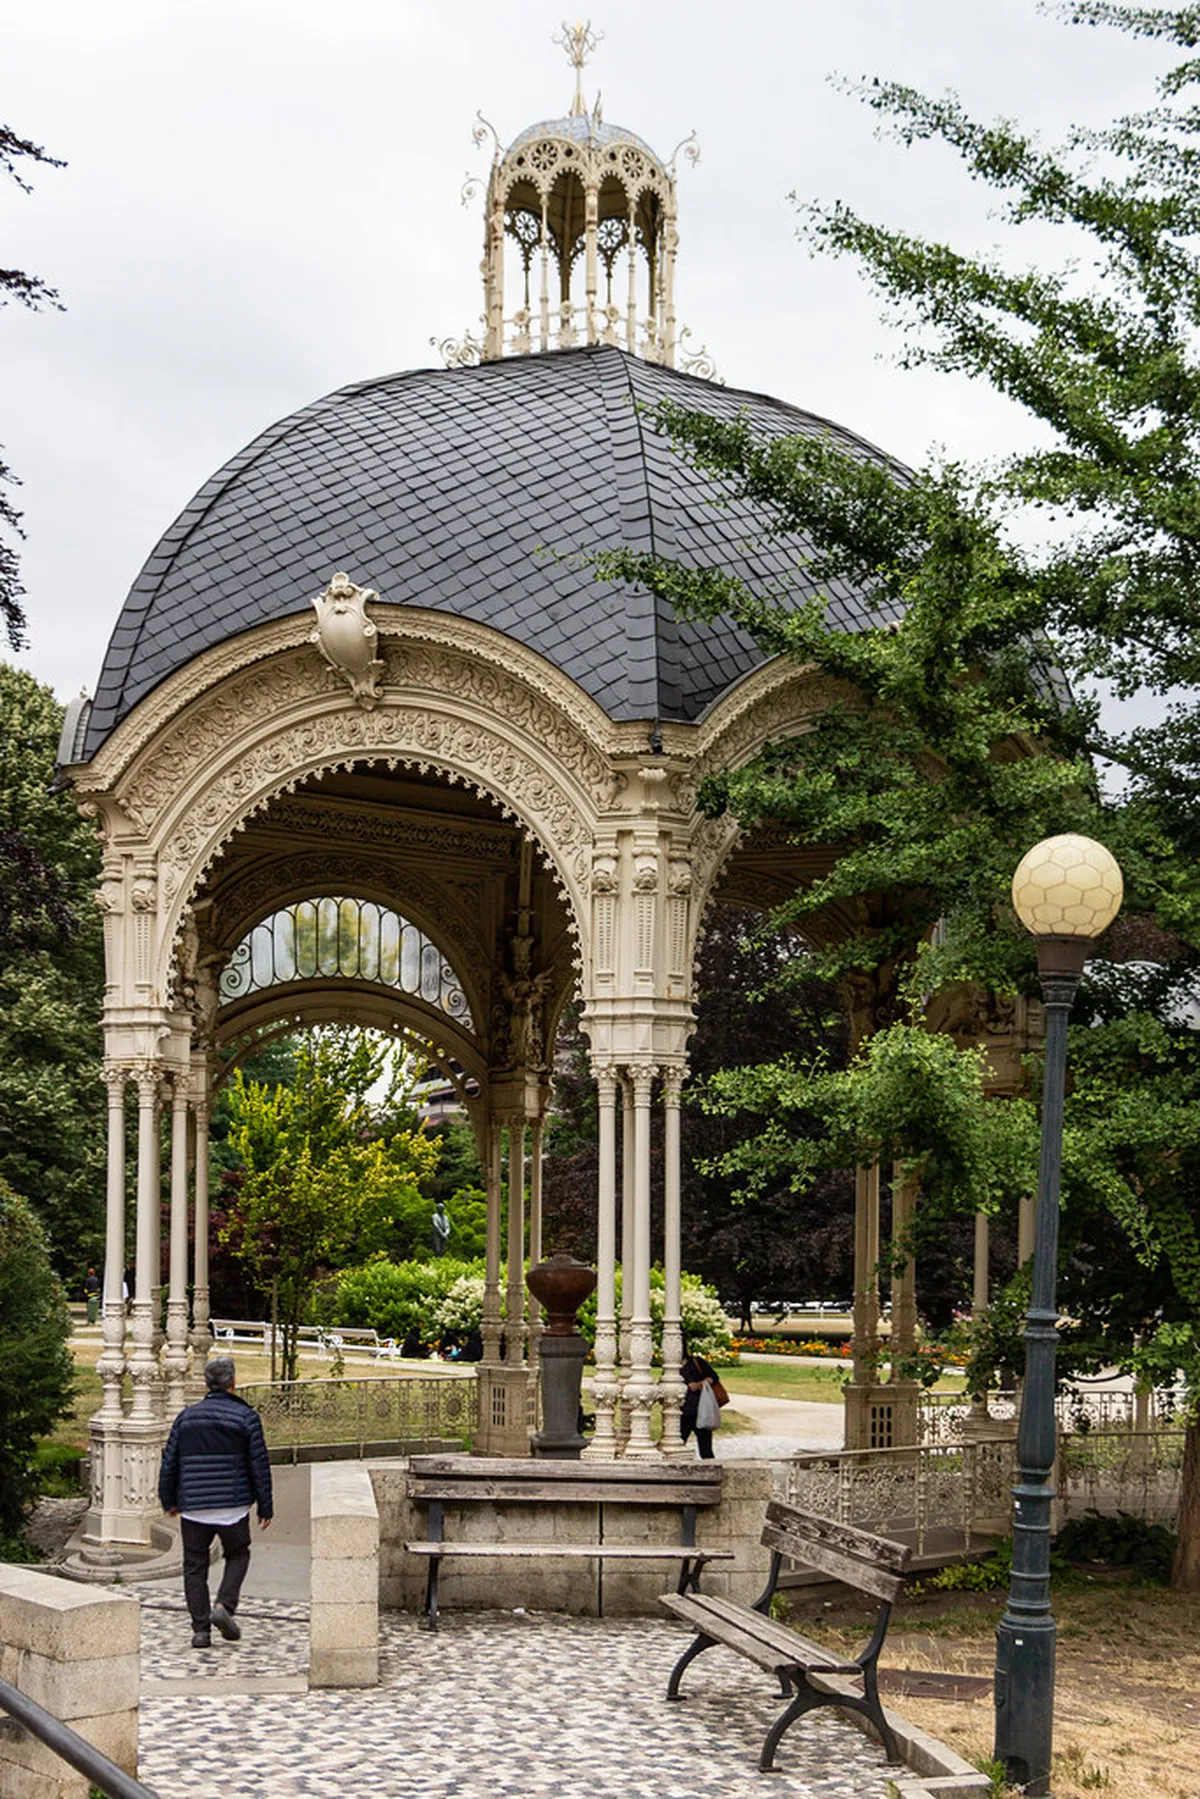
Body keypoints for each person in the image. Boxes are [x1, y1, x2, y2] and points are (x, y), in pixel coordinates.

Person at [158, 1355, 273, 1649]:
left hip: (194, 1506)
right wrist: (265, 1505)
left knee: (194, 1566)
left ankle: (200, 1631)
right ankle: (224, 1605)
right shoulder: (246, 1417)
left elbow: (169, 1462)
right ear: (233, 1383)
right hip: (233, 1506)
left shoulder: (186, 1417)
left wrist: (168, 1500)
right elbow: (259, 1464)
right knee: (238, 1554)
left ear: (207, 1383)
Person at [679, 1337, 720, 1461]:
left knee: (705, 1448)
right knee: (678, 1442)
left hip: (700, 1408)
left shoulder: (696, 1362)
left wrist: (698, 1385)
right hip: (682, 1411)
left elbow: (713, 1377)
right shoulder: (671, 1367)